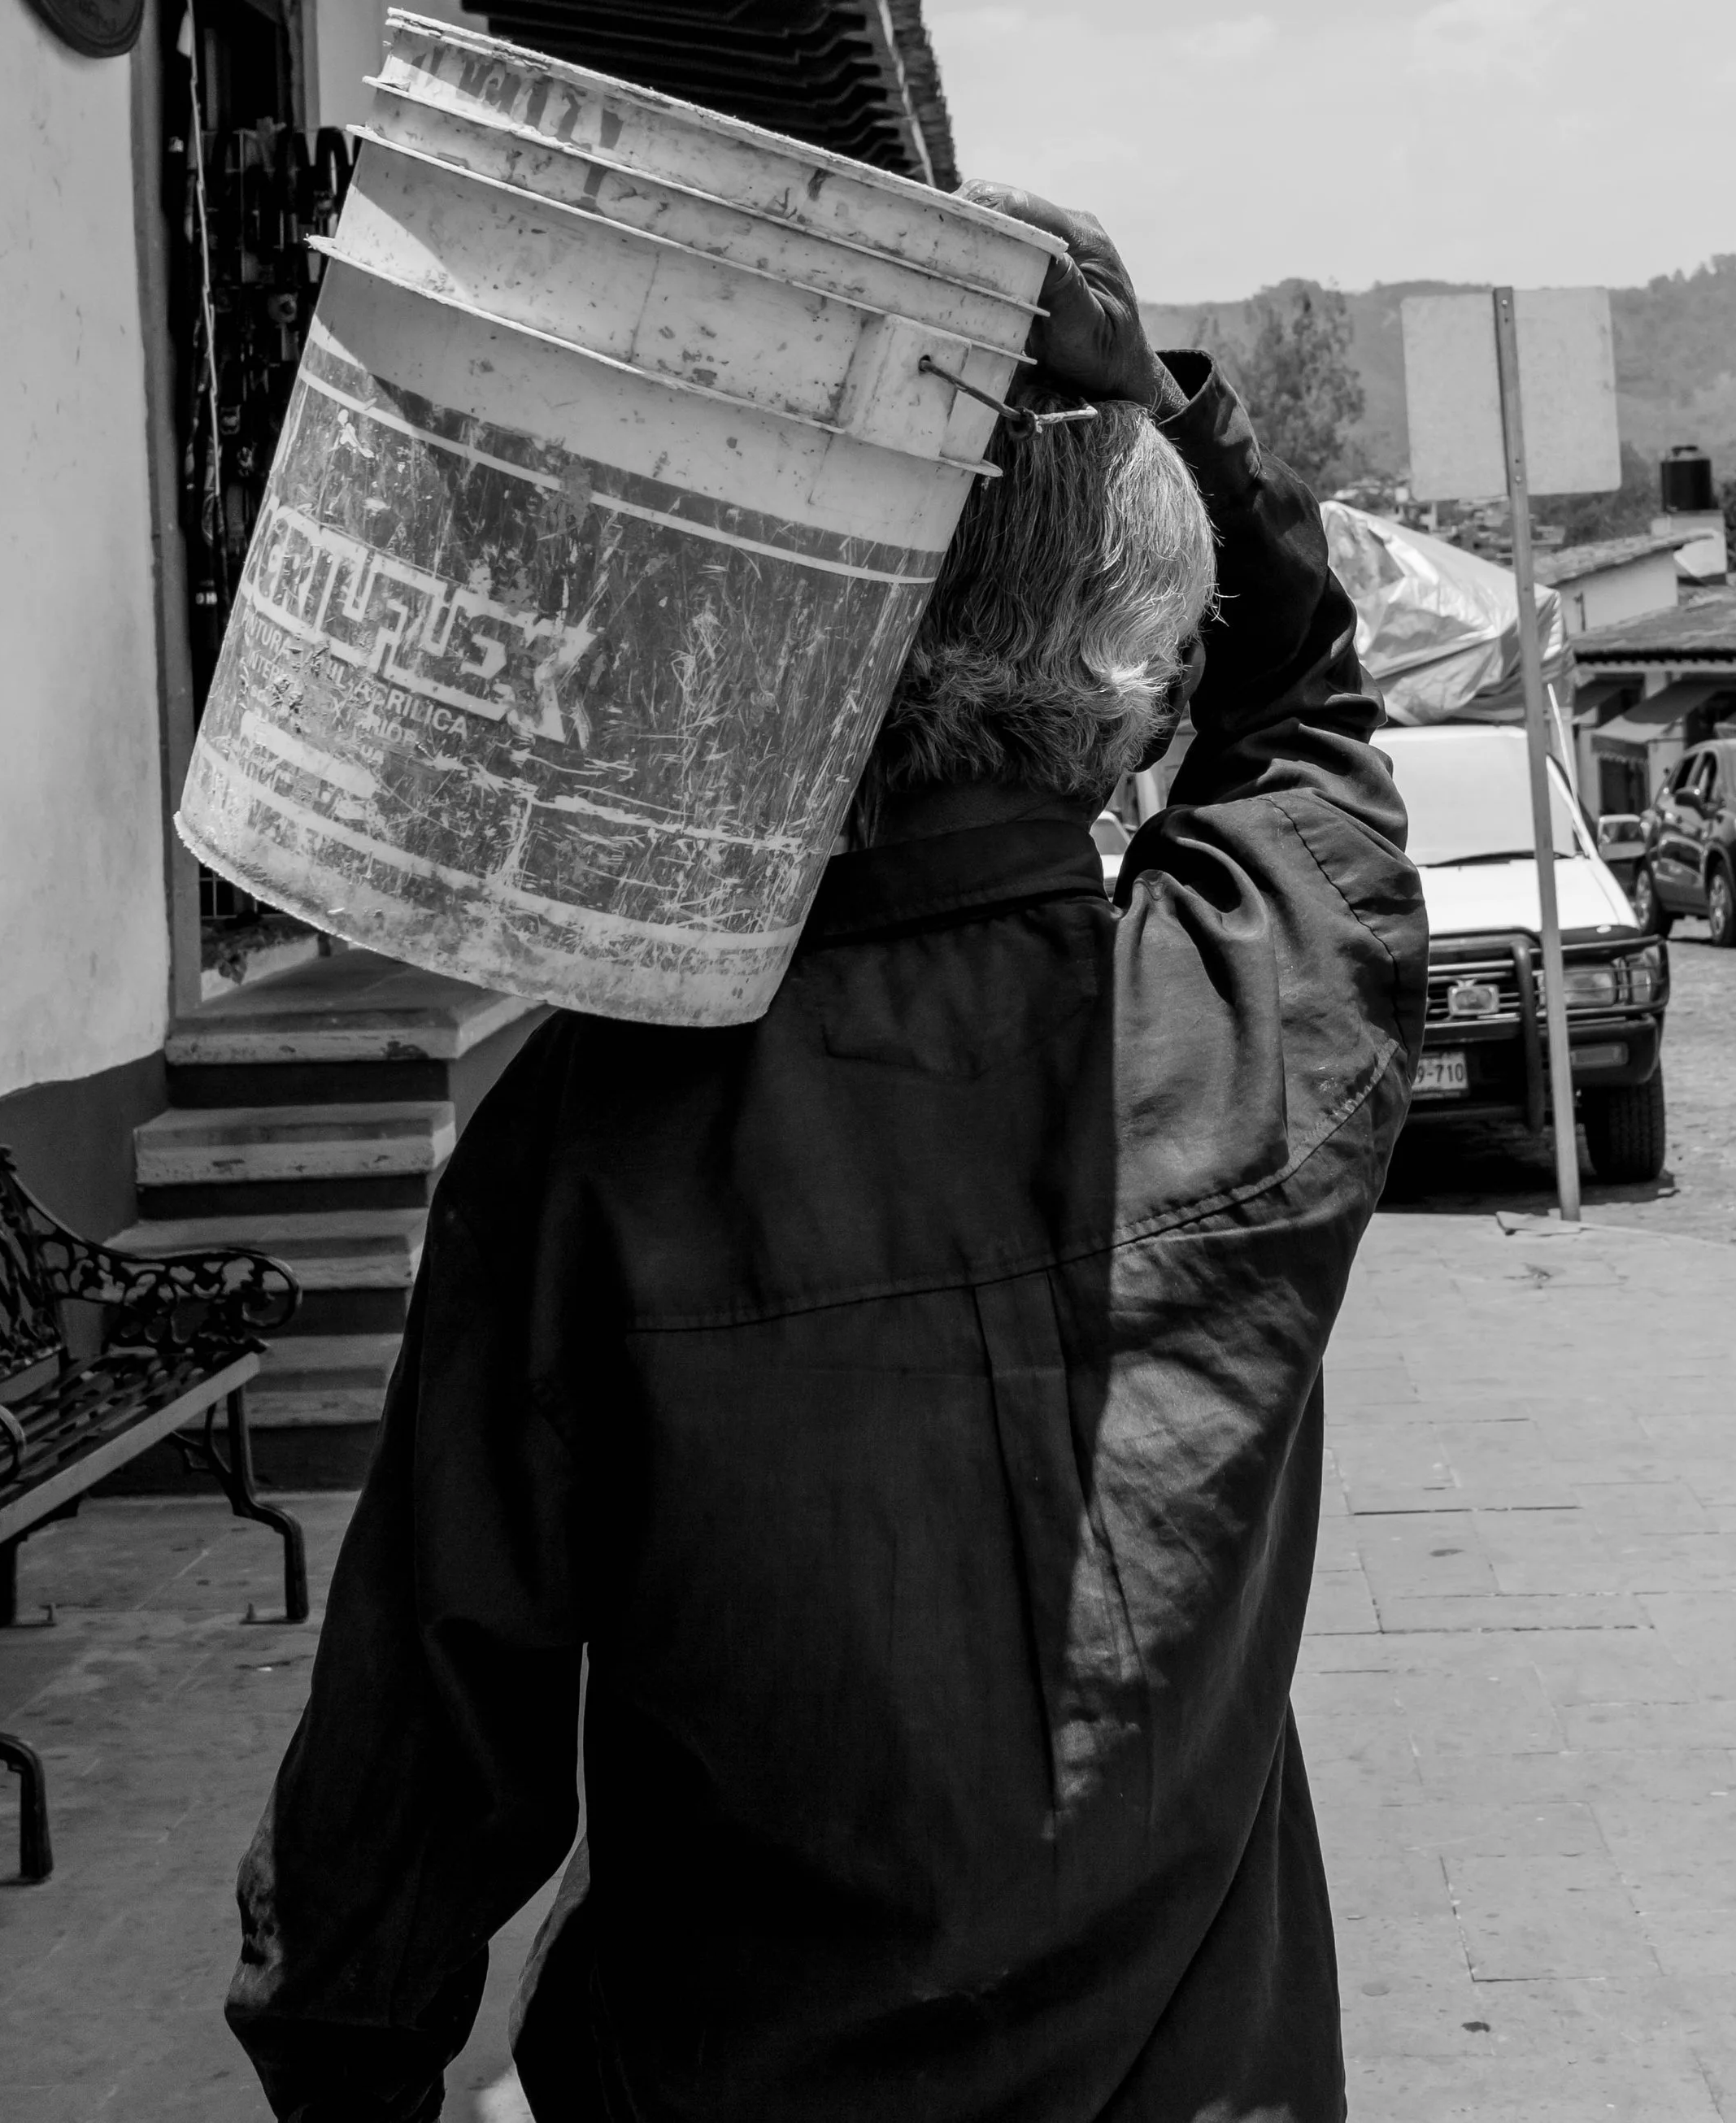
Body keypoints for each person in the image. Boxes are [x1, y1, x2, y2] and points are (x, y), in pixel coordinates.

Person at [226, 187, 1428, 2123]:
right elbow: (1308, 716)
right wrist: (1163, 405)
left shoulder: (584, 1146)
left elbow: (428, 1747)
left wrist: (345, 2060)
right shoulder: (1245, 1018)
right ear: (1130, 693)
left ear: (773, 665)